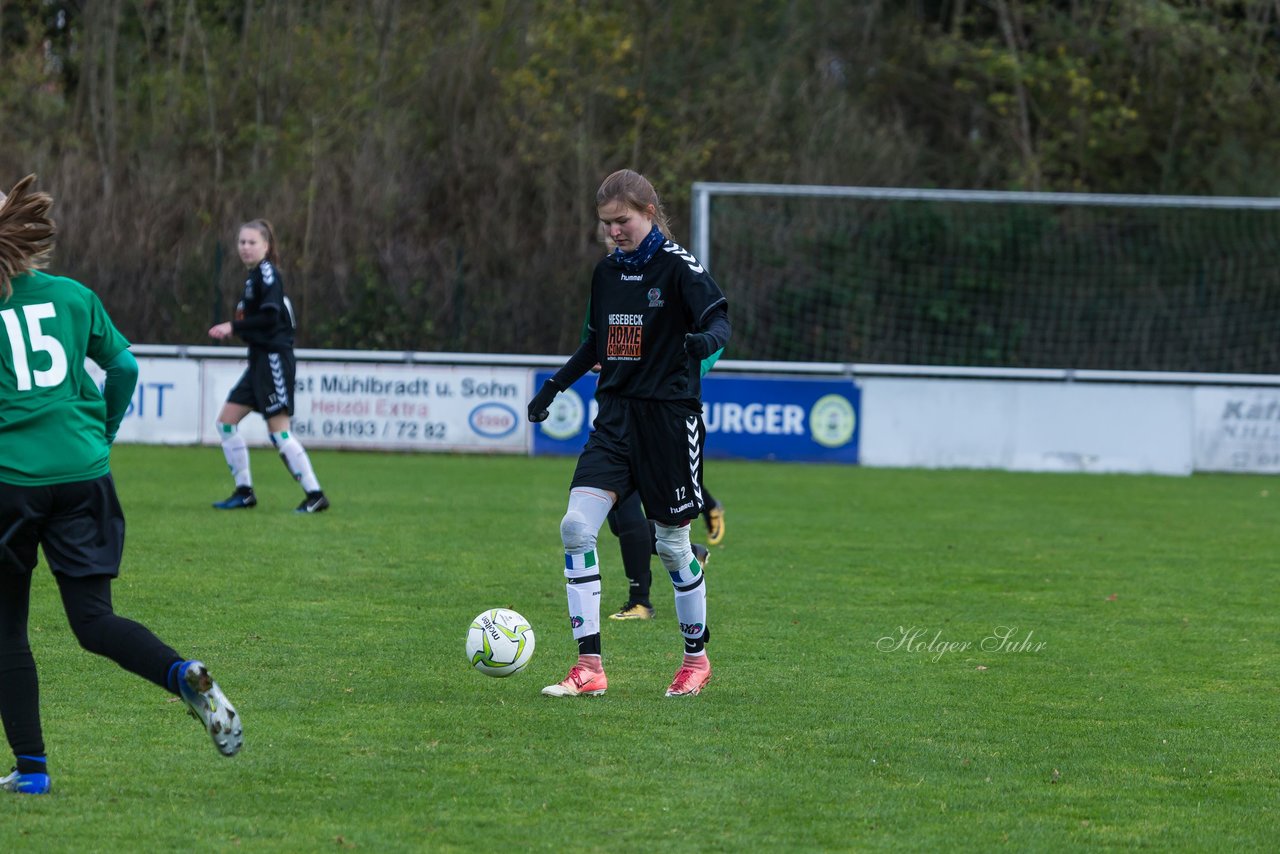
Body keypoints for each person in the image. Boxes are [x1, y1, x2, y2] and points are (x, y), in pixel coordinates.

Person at [0, 174, 242, 795]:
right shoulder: (74, 297)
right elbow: (125, 367)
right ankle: (181, 671)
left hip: (12, 483)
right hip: (85, 477)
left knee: (5, 630)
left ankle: (32, 773)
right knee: (93, 621)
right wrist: (100, 436)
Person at [528, 168, 731, 697]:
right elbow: (597, 344)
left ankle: (696, 660)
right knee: (576, 527)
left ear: (648, 212)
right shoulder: (606, 274)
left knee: (671, 545)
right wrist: (554, 387)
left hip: (669, 421)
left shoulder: (681, 267)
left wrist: (702, 340)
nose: (613, 232)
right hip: (615, 420)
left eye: (622, 221)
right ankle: (589, 667)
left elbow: (720, 321)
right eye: (605, 224)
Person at [207, 219, 328, 513]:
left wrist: (233, 326)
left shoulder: (267, 275)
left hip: (274, 360)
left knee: (279, 433)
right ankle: (244, 492)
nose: (245, 248)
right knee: (225, 423)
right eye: (242, 242)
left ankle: (315, 494)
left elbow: (271, 317)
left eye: (252, 242)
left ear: (267, 246)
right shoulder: (254, 278)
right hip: (259, 361)